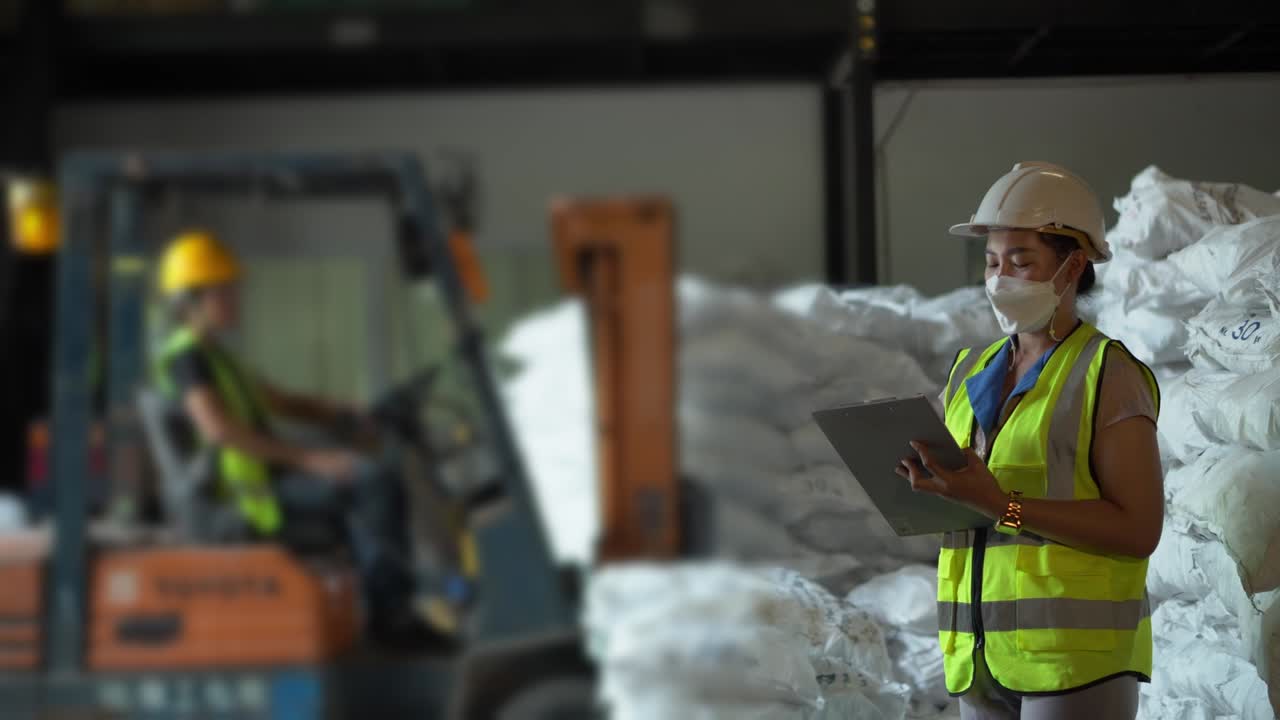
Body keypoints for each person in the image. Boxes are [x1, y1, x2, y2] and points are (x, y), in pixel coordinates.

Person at [896, 162, 1163, 720]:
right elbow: (973, 497)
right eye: (992, 263)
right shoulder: (972, 369)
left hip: (1073, 661)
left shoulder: (1107, 373)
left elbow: (1138, 529)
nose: (1000, 279)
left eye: (1021, 262)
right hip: (980, 649)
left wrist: (1003, 506)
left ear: (1073, 265)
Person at [154, 228, 436, 648]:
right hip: (251, 496)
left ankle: (380, 607)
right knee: (374, 481)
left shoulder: (219, 357)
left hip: (268, 480)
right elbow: (220, 431)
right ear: (192, 300)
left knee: (363, 471)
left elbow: (281, 401)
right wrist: (310, 461)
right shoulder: (188, 360)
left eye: (233, 289)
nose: (236, 298)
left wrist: (344, 409)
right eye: (224, 291)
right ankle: (391, 620)